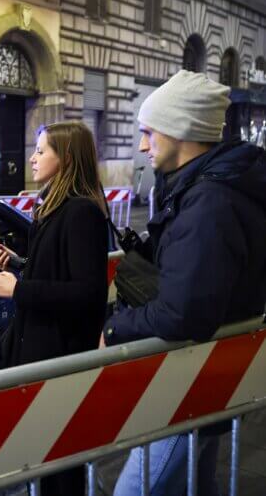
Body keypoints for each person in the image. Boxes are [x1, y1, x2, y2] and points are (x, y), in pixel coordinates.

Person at [103, 71, 266, 496]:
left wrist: (114, 330)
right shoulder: (206, 187)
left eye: (148, 132)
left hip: (191, 382)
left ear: (179, 130)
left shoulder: (209, 203)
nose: (142, 145)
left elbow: (183, 311)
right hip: (206, 375)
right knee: (197, 484)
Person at [0, 121, 109, 496]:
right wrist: (20, 263)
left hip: (61, 357)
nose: (33, 157)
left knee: (61, 466)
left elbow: (87, 292)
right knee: (45, 458)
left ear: (66, 158)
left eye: (41, 150)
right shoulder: (54, 205)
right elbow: (59, 270)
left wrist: (19, 289)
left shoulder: (81, 212)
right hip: (43, 355)